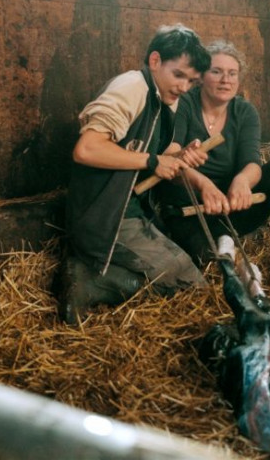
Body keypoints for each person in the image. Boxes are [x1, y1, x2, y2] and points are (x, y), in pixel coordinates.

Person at [56, 24, 212, 324]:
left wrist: (180, 157)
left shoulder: (165, 98)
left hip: (134, 212)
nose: (184, 87)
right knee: (190, 288)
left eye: (192, 81)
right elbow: (86, 150)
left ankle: (99, 275)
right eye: (178, 75)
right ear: (155, 60)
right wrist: (153, 162)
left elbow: (158, 155)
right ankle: (94, 281)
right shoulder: (131, 87)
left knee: (194, 283)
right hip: (104, 217)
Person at [158, 40, 270, 293]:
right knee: (212, 271)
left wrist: (242, 181)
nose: (225, 80)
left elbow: (252, 163)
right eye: (216, 71)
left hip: (232, 207)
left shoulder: (244, 111)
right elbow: (170, 156)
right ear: (200, 76)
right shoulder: (184, 104)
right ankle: (220, 247)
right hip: (191, 211)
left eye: (232, 74)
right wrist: (204, 185)